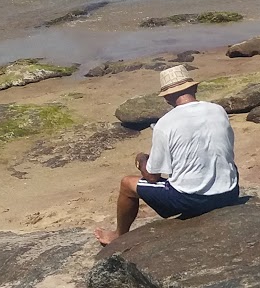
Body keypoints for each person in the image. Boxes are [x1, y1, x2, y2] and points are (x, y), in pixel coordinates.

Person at [95, 65, 239, 245]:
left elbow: (153, 176)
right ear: (194, 88)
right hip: (230, 192)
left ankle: (119, 234)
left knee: (127, 184)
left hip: (190, 200)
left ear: (167, 97)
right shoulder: (218, 110)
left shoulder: (165, 124)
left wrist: (141, 160)